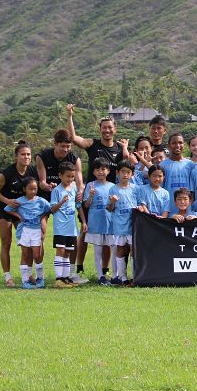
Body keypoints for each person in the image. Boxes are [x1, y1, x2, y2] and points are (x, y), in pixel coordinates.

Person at [66, 105, 124, 280]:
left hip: (110, 198)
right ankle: (79, 266)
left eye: (110, 127)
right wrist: (70, 116)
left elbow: (128, 166)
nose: (107, 130)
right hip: (92, 195)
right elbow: (74, 138)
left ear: (115, 129)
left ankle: (105, 271)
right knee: (85, 232)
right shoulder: (93, 144)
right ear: (100, 130)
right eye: (104, 127)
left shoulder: (120, 149)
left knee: (108, 236)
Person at [0, 141, 38, 287]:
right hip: (4, 211)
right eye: (23, 154)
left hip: (22, 212)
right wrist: (8, 201)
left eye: (28, 154)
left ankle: (28, 274)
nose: (26, 157)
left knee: (28, 243)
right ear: (16, 157)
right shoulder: (6, 174)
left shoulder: (32, 172)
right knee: (6, 242)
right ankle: (8, 277)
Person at [3, 177, 49, 289]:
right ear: (24, 189)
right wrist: (18, 216)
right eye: (30, 189)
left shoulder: (41, 201)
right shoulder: (20, 200)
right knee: (25, 254)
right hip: (24, 231)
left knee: (37, 255)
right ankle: (25, 281)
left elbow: (49, 209)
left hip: (36, 231)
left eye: (35, 189)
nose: (33, 191)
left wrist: (41, 217)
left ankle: (40, 278)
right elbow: (7, 209)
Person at [49, 162, 85, 288]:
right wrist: (61, 202)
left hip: (71, 227)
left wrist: (84, 221)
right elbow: (52, 209)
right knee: (61, 250)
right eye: (68, 176)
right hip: (60, 227)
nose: (70, 179)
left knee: (68, 252)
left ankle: (66, 278)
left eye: (72, 176)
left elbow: (78, 206)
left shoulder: (74, 189)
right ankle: (58, 278)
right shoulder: (56, 191)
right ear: (60, 175)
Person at [83, 158, 116, 284]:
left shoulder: (113, 186)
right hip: (96, 223)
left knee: (113, 248)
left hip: (110, 223)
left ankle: (115, 275)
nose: (100, 172)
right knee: (98, 250)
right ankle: (100, 276)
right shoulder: (90, 185)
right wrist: (90, 196)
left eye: (103, 169)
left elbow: (114, 206)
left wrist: (113, 201)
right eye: (97, 169)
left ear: (108, 171)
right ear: (93, 172)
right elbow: (86, 205)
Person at [107, 160, 139, 286]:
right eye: (123, 172)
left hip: (133, 225)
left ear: (132, 174)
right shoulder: (113, 189)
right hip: (119, 225)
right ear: (117, 173)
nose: (125, 174)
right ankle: (122, 277)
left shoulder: (136, 189)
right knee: (120, 250)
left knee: (134, 250)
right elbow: (109, 208)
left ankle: (135, 276)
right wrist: (113, 202)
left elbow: (140, 204)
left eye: (128, 172)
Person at [35, 129, 83, 201]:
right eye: (63, 146)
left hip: (66, 193)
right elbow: (42, 182)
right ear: (55, 143)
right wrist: (48, 186)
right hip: (46, 194)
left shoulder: (75, 159)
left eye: (68, 146)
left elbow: (79, 183)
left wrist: (80, 192)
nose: (65, 150)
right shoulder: (42, 156)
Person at [159, 133, 195, 197]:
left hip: (186, 205)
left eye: (180, 143)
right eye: (174, 143)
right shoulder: (162, 165)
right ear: (168, 146)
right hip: (169, 204)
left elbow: (192, 190)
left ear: (184, 145)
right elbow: (159, 188)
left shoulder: (190, 164)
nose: (177, 145)